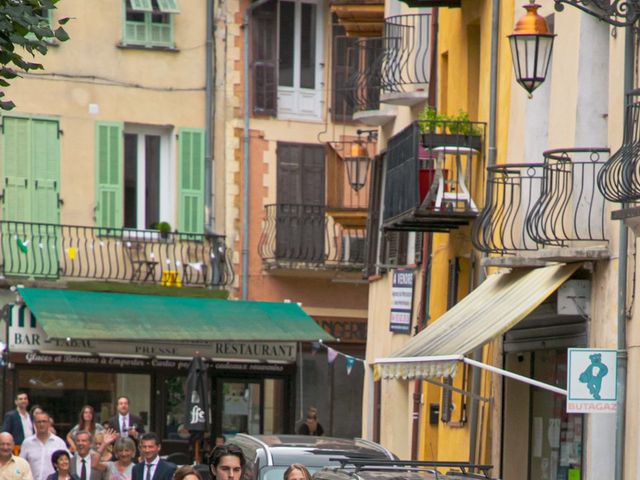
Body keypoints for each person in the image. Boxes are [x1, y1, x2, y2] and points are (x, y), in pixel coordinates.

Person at [20, 412, 68, 480]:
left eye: (44, 421)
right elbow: (21, 464)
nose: (41, 424)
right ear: (34, 424)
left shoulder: (59, 443)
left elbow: (67, 465)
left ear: (49, 423)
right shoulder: (27, 443)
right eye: (38, 422)